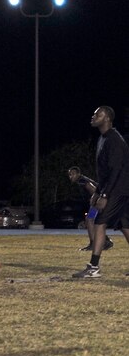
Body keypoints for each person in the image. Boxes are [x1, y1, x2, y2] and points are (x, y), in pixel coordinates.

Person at [73, 106, 129, 278]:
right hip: (117, 188)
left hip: (119, 189)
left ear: (107, 119)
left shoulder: (114, 139)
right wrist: (97, 192)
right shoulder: (102, 139)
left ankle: (93, 268)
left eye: (98, 114)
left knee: (99, 222)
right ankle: (93, 267)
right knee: (126, 227)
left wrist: (104, 196)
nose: (93, 116)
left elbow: (116, 170)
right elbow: (104, 173)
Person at [68, 166, 113, 252]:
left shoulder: (81, 181)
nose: (71, 176)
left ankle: (93, 244)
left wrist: (95, 202)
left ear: (78, 174)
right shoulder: (81, 180)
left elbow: (94, 189)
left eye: (73, 174)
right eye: (69, 174)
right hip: (102, 200)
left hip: (99, 201)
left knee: (89, 220)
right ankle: (106, 241)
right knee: (94, 222)